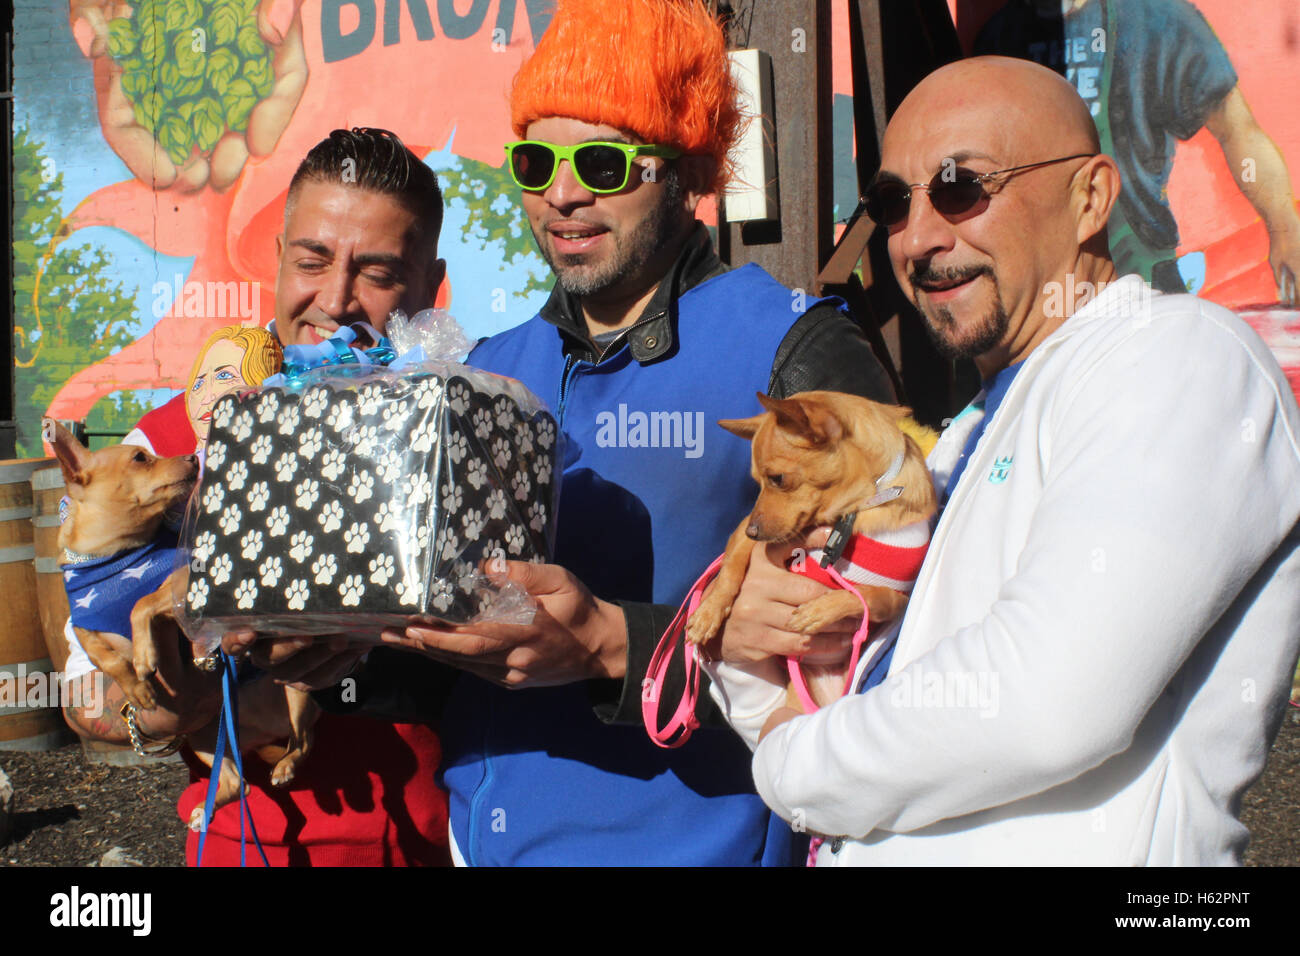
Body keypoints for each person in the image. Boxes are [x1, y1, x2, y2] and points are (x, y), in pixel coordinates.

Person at [281, 0, 896, 866]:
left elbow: (879, 644)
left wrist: (615, 643)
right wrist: (327, 653)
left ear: (684, 165)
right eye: (536, 162)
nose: (564, 194)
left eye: (604, 162)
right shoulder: (487, 371)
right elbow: (438, 663)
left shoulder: (795, 345)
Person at [705, 55, 1300, 865]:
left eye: (961, 187)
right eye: (891, 204)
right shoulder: (963, 436)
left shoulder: (1180, 357)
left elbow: (1048, 702)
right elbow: (869, 699)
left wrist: (789, 765)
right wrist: (748, 662)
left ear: (1089, 197)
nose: (917, 238)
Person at [62, 127, 452, 866]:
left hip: (434, 846)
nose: (335, 300)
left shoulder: (455, 427)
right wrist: (177, 706)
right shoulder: (167, 450)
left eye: (377, 271)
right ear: (275, 255)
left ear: (430, 285)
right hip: (249, 848)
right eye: (312, 259)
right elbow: (84, 704)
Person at [973, 0, 1300, 303]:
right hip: (1035, 284)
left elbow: (1237, 129)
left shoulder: (1157, 19)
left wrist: (1285, 227)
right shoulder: (999, 38)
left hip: (1140, 275)